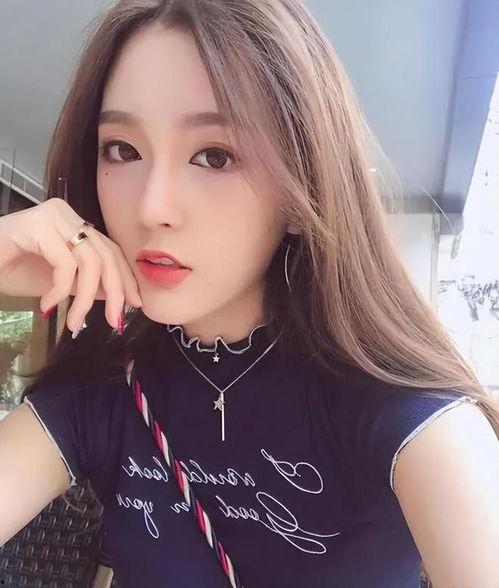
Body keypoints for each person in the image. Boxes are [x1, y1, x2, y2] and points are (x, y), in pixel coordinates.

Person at [0, 1, 498, 586]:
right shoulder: (106, 392)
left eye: (214, 156)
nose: (152, 207)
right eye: (122, 150)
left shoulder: (403, 414)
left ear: (303, 188)